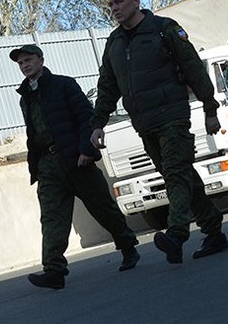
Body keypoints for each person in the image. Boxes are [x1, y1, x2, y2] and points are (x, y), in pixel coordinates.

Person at [90, 0, 228, 264]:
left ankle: (176, 234)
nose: (115, 9)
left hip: (173, 116)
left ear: (135, 1)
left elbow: (192, 68)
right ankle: (214, 229)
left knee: (176, 173)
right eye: (111, 5)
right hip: (144, 123)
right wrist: (98, 123)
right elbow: (107, 86)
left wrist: (210, 108)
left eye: (119, 2)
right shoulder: (115, 43)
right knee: (181, 176)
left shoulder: (164, 29)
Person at [12, 44, 140, 289]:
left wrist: (86, 150)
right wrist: (37, 165)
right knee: (52, 218)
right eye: (21, 63)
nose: (25, 65)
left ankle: (127, 246)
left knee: (102, 207)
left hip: (75, 159)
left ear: (41, 60)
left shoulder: (64, 85)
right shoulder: (26, 96)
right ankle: (54, 270)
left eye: (28, 60)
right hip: (48, 165)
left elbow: (85, 117)